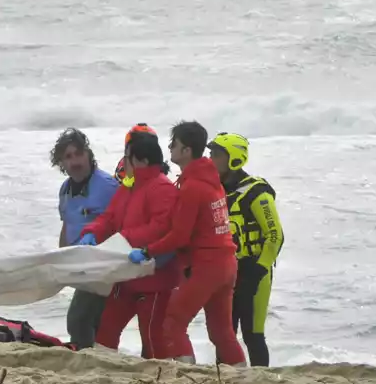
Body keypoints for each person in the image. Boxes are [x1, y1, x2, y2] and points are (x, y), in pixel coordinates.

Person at [127, 121, 247, 366]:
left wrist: (147, 250)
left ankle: (188, 377)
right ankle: (244, 379)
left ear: (186, 151)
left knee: (173, 322)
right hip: (227, 265)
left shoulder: (192, 187)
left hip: (206, 266)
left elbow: (180, 236)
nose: (169, 148)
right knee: (221, 332)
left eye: (174, 144)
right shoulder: (212, 181)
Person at [76, 131, 179, 358]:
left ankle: (159, 381)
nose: (125, 161)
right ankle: (106, 372)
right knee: (106, 332)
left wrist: (124, 238)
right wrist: (92, 232)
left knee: (152, 337)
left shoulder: (162, 188)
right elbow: (109, 217)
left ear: (141, 161)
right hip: (125, 277)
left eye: (128, 156)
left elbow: (161, 227)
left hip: (154, 278)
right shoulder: (129, 186)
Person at [207, 132, 284, 367]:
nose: (211, 160)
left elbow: (276, 236)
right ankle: (224, 383)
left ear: (234, 159)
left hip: (254, 273)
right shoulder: (214, 190)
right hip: (225, 274)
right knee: (224, 335)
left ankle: (262, 383)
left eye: (216, 155)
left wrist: (257, 271)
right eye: (210, 154)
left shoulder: (256, 192)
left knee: (253, 335)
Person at [50, 128, 119, 350]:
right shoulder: (65, 190)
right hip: (80, 266)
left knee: (78, 319)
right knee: (93, 321)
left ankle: (87, 357)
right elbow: (67, 224)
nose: (75, 161)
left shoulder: (108, 186)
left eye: (78, 154)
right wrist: (62, 259)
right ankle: (95, 357)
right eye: (68, 157)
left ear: (88, 154)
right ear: (61, 163)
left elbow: (123, 223)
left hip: (104, 267)